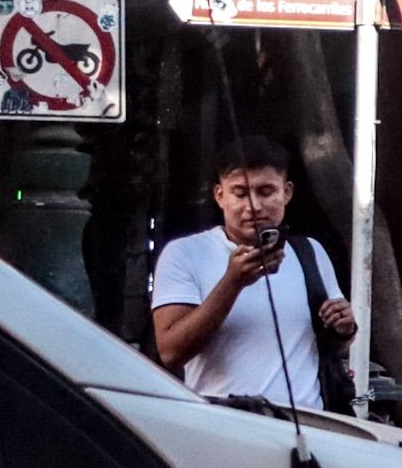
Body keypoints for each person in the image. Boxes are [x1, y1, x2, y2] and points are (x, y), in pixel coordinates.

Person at [151, 136, 355, 404]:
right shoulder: (185, 253)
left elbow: (330, 348)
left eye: (265, 191)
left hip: (308, 424)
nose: (253, 206)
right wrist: (232, 282)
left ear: (287, 192)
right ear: (219, 196)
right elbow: (171, 352)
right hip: (225, 423)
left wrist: (344, 328)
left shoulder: (309, 251)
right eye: (240, 193)